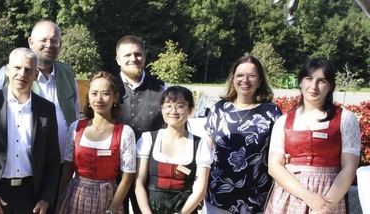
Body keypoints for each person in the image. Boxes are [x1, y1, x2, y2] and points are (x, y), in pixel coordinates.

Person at [0, 48, 61, 214]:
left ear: (36, 75)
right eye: (17, 68)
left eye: (28, 69)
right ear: (7, 70)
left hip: (32, 196)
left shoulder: (47, 109)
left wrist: (46, 198)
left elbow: (52, 159)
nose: (22, 74)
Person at [264, 57, 360, 213]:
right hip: (290, 196)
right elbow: (274, 166)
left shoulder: (346, 119)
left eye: (321, 81)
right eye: (309, 79)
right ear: (301, 82)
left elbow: (349, 167)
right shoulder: (283, 121)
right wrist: (308, 197)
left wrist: (323, 207)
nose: (313, 86)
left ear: (330, 86)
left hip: (329, 196)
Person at [0, 20, 80, 163]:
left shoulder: (68, 74)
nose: (49, 45)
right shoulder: (7, 75)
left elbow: (74, 116)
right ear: (31, 42)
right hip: (20, 167)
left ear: (60, 45)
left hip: (61, 166)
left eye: (54, 41)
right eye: (43, 40)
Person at [204, 55, 281, 213]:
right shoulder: (218, 109)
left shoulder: (271, 112)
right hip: (218, 196)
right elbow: (205, 151)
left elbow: (279, 151)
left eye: (251, 76)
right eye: (240, 75)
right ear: (233, 79)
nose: (245, 80)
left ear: (260, 81)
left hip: (255, 199)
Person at [56, 71, 136, 214]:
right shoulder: (76, 128)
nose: (99, 99)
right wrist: (59, 202)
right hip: (75, 196)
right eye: (94, 93)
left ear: (115, 97)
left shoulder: (125, 132)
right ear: (88, 97)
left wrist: (111, 210)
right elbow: (68, 170)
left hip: (108, 198)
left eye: (105, 93)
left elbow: (127, 178)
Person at [135, 86, 212, 214]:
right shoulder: (148, 139)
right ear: (162, 109)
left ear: (191, 110)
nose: (173, 111)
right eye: (168, 106)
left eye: (180, 106)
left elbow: (200, 190)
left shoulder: (200, 145)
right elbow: (139, 183)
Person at [113, 35, 166, 213]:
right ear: (118, 59)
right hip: (113, 170)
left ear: (144, 55)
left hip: (149, 173)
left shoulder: (162, 89)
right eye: (127, 55)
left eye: (137, 54)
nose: (133, 59)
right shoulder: (108, 87)